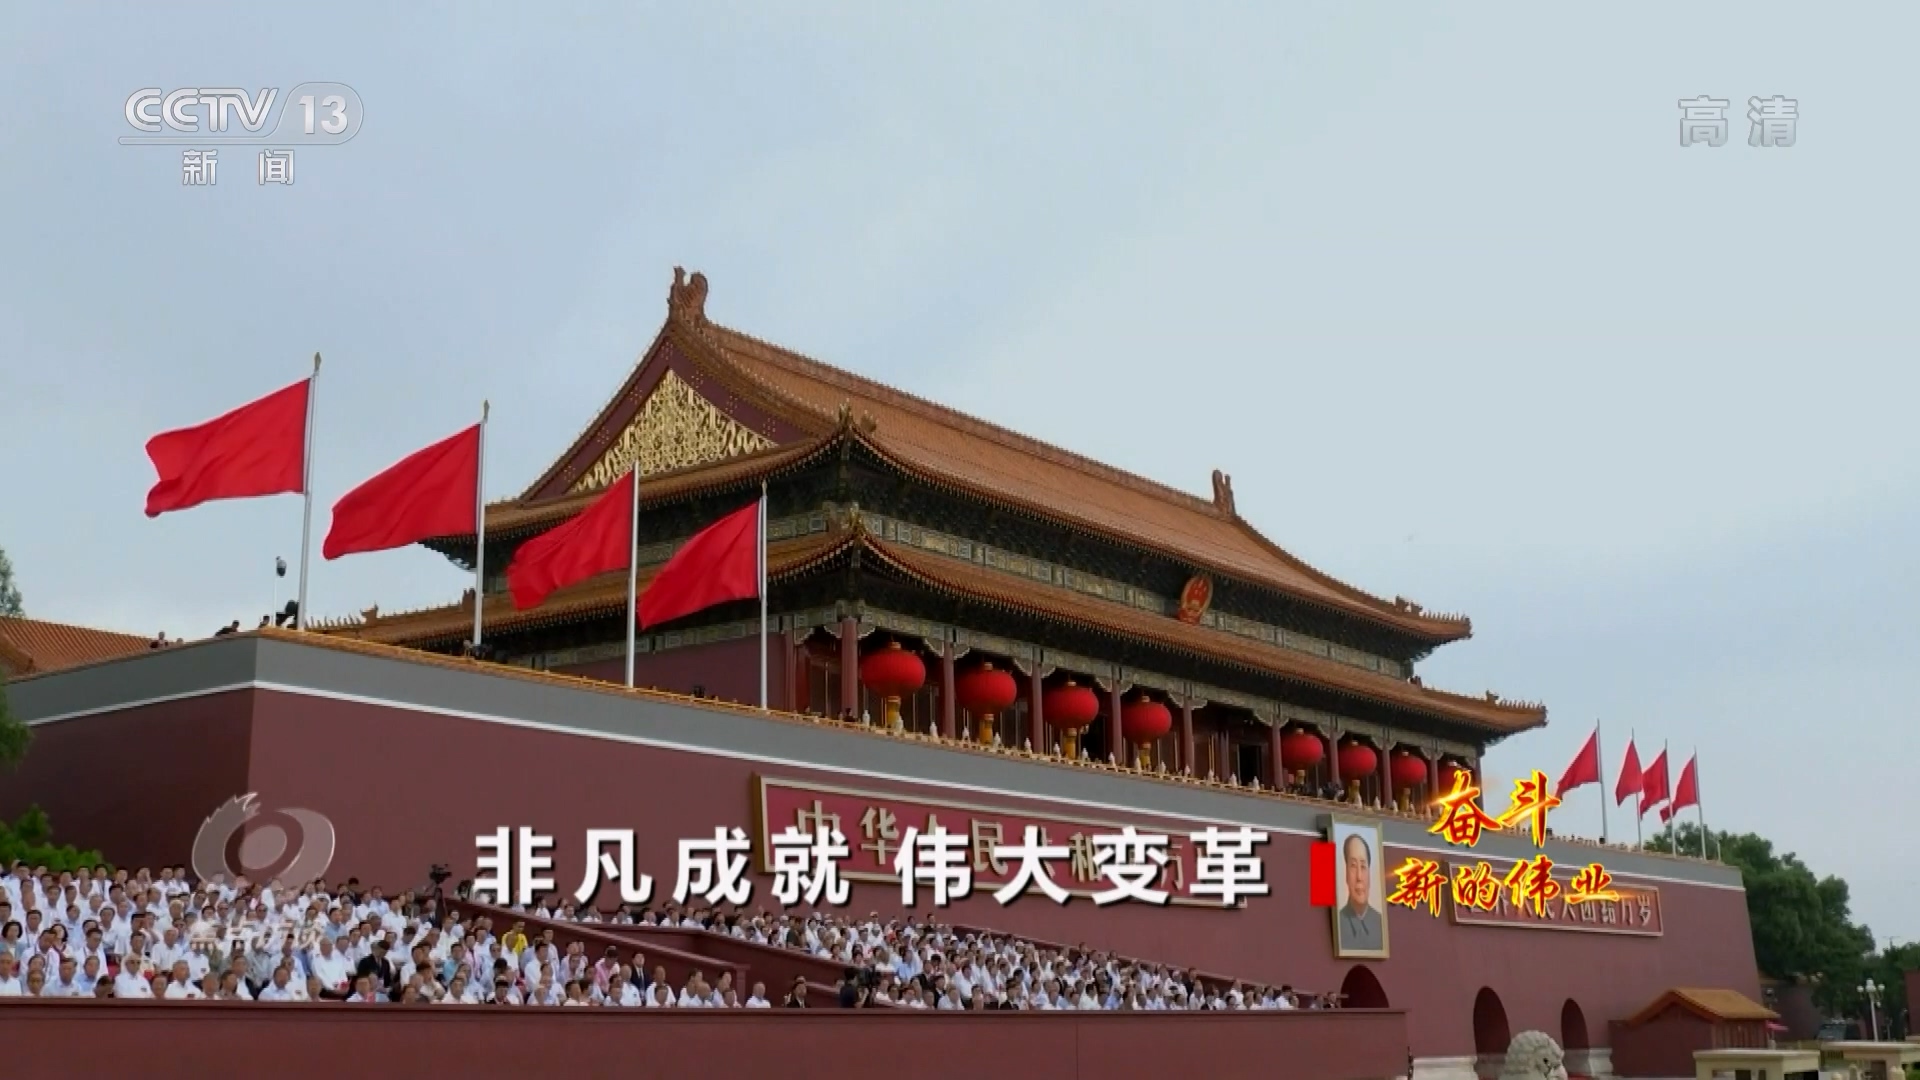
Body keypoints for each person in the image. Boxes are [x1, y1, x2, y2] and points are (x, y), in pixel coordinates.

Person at [1337, 832, 1384, 952]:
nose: (1359, 877)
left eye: (1363, 867)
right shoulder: (1336, 923)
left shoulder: (1381, 923)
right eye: (1353, 866)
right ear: (1346, 873)